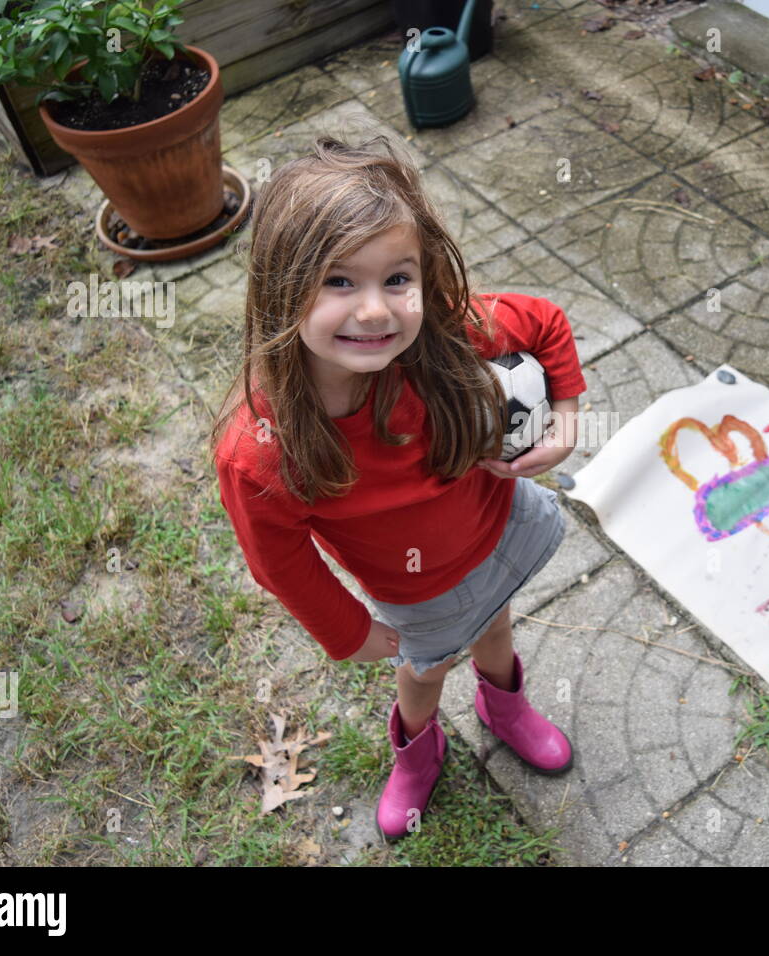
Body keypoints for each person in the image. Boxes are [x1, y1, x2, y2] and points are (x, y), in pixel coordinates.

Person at [209, 133, 588, 842]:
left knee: (497, 620)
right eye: (339, 281)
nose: (377, 311)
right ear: (280, 288)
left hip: (495, 528)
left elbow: (546, 322)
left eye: (397, 279)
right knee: (427, 669)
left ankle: (504, 710)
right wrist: (349, 633)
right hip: (417, 592)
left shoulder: (444, 332)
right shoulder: (260, 452)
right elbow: (278, 560)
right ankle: (417, 754)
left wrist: (565, 416)